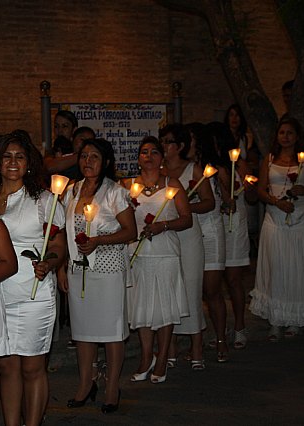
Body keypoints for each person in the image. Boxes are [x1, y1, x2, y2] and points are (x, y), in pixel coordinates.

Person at [0, 131, 66, 426]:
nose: (13, 162)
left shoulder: (43, 200)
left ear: (29, 163)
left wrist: (50, 263)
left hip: (32, 292)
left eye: (20, 156)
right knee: (6, 368)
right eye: (7, 156)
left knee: (32, 367)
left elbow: (57, 245)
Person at [58, 138, 137, 412]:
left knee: (112, 332)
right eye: (83, 156)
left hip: (108, 270)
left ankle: (112, 386)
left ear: (105, 162)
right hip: (78, 270)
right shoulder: (71, 191)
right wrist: (61, 266)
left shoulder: (115, 192)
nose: (87, 161)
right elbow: (60, 232)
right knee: (83, 331)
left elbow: (130, 232)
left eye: (94, 156)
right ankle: (85, 383)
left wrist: (99, 242)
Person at [121, 136, 191, 383]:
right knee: (141, 307)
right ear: (138, 158)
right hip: (137, 253)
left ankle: (162, 358)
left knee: (164, 307)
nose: (148, 156)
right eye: (143, 152)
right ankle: (145, 356)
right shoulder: (127, 185)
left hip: (165, 253)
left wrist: (164, 225)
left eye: (153, 152)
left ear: (161, 158)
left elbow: (186, 218)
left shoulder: (173, 184)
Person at [250, 116, 304, 340]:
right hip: (275, 217)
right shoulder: (269, 159)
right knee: (277, 266)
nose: (285, 137)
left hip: (299, 218)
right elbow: (261, 190)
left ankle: (295, 319)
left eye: (290, 133)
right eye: (282, 133)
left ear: (297, 136)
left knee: (297, 265)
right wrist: (276, 202)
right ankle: (276, 320)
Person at [160, 124, 211, 369]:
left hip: (189, 234)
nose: (164, 146)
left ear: (180, 146)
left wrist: (184, 208)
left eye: (168, 141)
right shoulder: (158, 172)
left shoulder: (193, 170)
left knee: (191, 289)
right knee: (169, 290)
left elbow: (209, 202)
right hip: (165, 237)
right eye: (162, 141)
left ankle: (197, 348)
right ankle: (170, 348)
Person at [210, 122, 256, 353]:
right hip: (215, 226)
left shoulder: (239, 165)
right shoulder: (208, 167)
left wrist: (248, 187)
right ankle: (221, 329)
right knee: (214, 284)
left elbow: (252, 196)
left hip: (234, 225)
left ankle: (239, 326)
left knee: (234, 279)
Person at [186, 122, 228, 364]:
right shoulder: (181, 169)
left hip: (210, 229)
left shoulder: (212, 168)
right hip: (190, 230)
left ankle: (221, 338)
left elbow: (220, 199)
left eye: (190, 139)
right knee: (193, 289)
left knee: (212, 289)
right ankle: (196, 341)